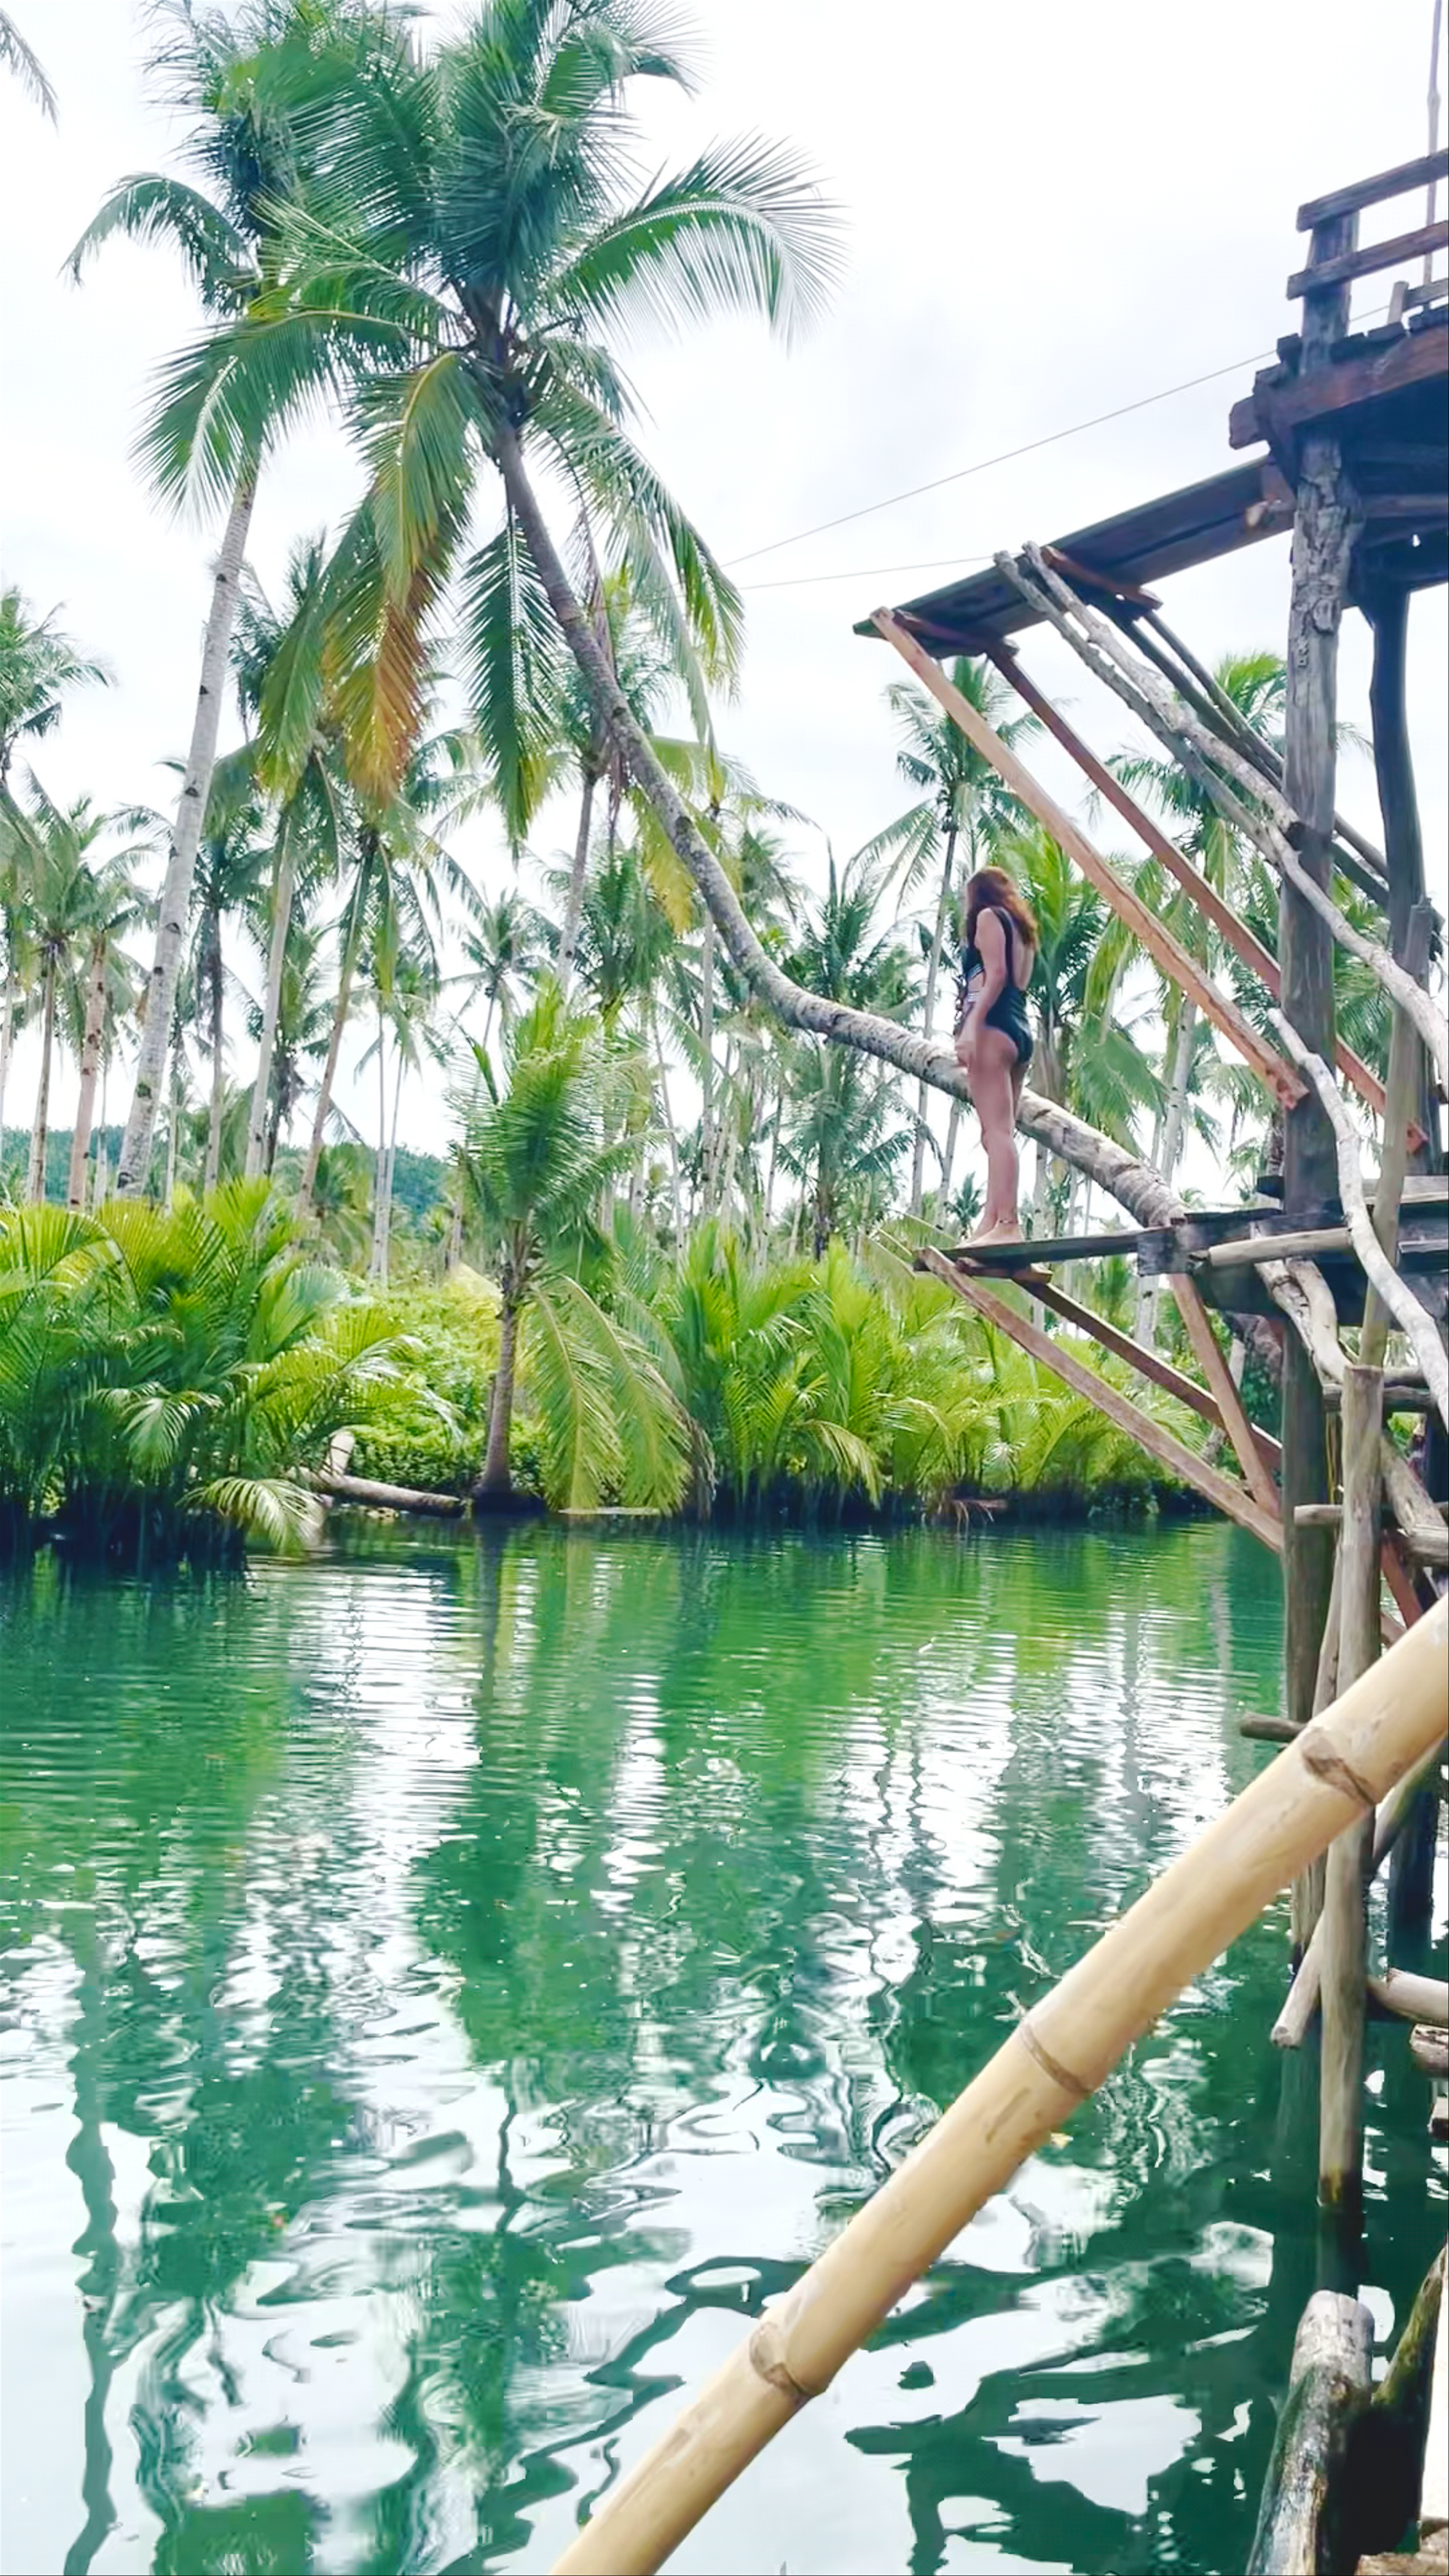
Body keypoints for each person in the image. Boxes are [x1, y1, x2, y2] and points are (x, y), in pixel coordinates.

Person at [953, 866, 1038, 1245]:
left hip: (993, 1028)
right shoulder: (1023, 932)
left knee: (998, 1133)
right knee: (996, 1134)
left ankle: (1007, 1223)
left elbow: (997, 974)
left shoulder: (988, 918)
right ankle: (991, 1220)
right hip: (1019, 1029)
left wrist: (972, 1025)